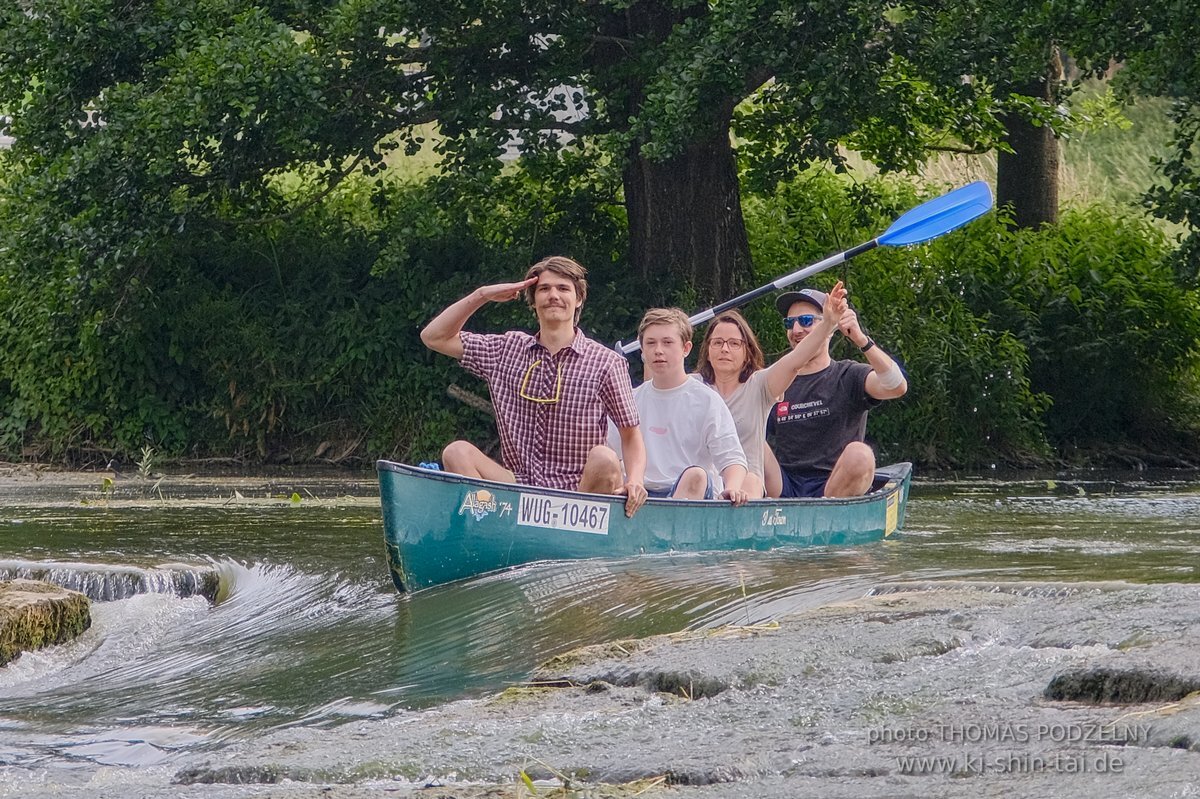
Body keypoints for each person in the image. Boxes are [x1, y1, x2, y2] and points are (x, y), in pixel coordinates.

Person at [420, 255, 648, 517]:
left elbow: (631, 434)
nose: (553, 295)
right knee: (456, 451)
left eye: (563, 289)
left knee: (605, 458)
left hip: (579, 493)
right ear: (533, 299)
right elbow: (433, 337)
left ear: (578, 299)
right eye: (544, 289)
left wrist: (636, 480)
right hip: (517, 487)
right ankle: (484, 523)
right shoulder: (505, 349)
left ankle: (573, 539)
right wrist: (481, 295)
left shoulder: (606, 362)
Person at [694, 282, 848, 498]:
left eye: (734, 343)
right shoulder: (693, 387)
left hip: (744, 487)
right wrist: (653, 345)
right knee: (693, 478)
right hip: (703, 482)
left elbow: (796, 361)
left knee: (746, 482)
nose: (725, 349)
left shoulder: (759, 384)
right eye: (717, 343)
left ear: (747, 352)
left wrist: (827, 323)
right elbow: (658, 383)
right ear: (707, 351)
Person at [767, 285, 908, 498]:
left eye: (805, 321)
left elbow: (896, 386)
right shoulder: (774, 378)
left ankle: (825, 514)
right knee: (745, 438)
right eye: (790, 323)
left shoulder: (849, 374)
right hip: (783, 485)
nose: (796, 330)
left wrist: (861, 339)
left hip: (834, 487)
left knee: (861, 455)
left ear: (829, 327)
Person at [609, 308, 749, 505]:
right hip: (639, 493)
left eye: (667, 343)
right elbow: (609, 449)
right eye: (651, 343)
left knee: (696, 475)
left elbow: (732, 458)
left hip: (691, 496)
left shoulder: (707, 400)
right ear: (642, 349)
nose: (658, 350)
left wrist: (732, 487)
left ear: (686, 348)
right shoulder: (630, 399)